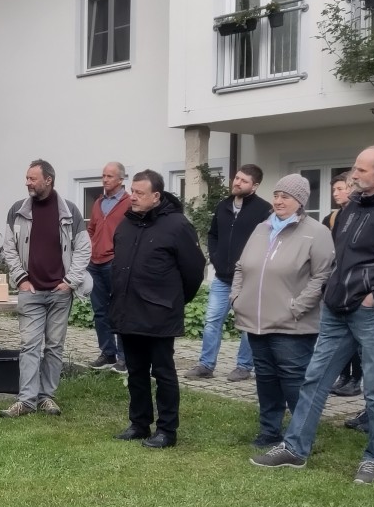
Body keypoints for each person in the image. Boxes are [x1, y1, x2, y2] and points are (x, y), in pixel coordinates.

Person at [251, 146, 374, 484]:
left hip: (372, 313)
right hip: (337, 309)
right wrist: (331, 291)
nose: (354, 174)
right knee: (314, 379)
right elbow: (340, 259)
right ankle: (295, 448)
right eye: (355, 168)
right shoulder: (351, 209)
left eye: (362, 169)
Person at [231, 176, 335, 448]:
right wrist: (236, 298)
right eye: (276, 195)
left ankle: (301, 437)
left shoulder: (316, 232)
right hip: (255, 321)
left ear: (300, 201)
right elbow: (242, 266)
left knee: (294, 382)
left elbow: (322, 276)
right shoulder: (261, 228)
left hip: (292, 324)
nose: (278, 201)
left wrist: (297, 307)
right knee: (266, 379)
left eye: (285, 196)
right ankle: (269, 431)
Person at [109, 169, 206, 448]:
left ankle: (166, 430)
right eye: (132, 192)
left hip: (159, 313)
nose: (132, 197)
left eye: (139, 193)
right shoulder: (126, 224)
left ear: (156, 196)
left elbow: (193, 272)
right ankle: (139, 423)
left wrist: (172, 300)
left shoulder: (177, 226)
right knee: (136, 371)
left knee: (163, 372)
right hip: (128, 310)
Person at [0, 159, 92, 417]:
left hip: (59, 293)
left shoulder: (70, 211)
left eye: (32, 178)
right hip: (30, 292)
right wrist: (21, 279)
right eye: (27, 178)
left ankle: (46, 397)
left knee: (54, 346)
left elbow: (84, 250)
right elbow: (9, 248)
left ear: (48, 180)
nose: (27, 182)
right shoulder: (17, 210)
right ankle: (26, 401)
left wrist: (69, 282)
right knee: (29, 345)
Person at [185, 165, 272, 382]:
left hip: (249, 279)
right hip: (222, 278)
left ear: (255, 185)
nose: (237, 182)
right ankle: (206, 365)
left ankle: (243, 367)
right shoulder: (223, 206)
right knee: (212, 320)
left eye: (243, 180)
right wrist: (215, 256)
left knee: (246, 324)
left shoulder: (264, 210)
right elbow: (213, 234)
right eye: (237, 178)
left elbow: (269, 242)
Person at [86, 161, 131, 374]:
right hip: (95, 263)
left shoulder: (129, 202)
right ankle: (108, 353)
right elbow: (91, 229)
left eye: (110, 176)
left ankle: (124, 357)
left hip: (115, 262)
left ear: (121, 179)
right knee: (100, 312)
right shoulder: (98, 203)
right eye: (103, 175)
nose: (105, 179)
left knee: (120, 311)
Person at [325, 171, 362, 397]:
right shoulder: (338, 215)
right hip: (339, 278)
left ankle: (356, 379)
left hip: (356, 283)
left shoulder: (358, 212)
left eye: (340, 188)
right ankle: (344, 376)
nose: (335, 193)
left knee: (356, 338)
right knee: (341, 335)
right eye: (333, 190)